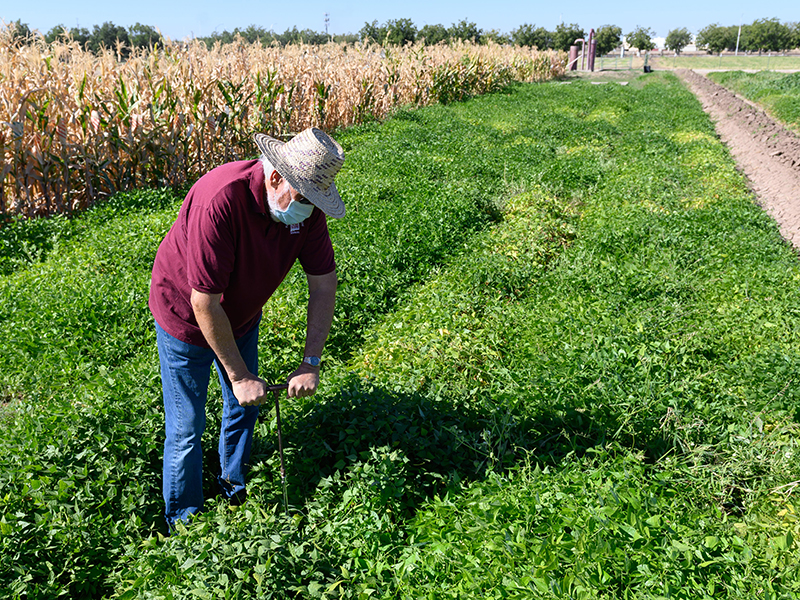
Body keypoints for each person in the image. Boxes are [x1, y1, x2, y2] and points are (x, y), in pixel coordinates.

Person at [148, 127, 345, 530]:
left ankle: (233, 484)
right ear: (275, 178)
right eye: (304, 198)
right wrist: (238, 375)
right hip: (185, 317)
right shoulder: (219, 199)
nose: (308, 209)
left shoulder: (305, 214)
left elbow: (324, 285)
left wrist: (311, 362)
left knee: (244, 406)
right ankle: (184, 522)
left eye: (314, 201)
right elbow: (203, 302)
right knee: (187, 427)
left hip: (239, 315)